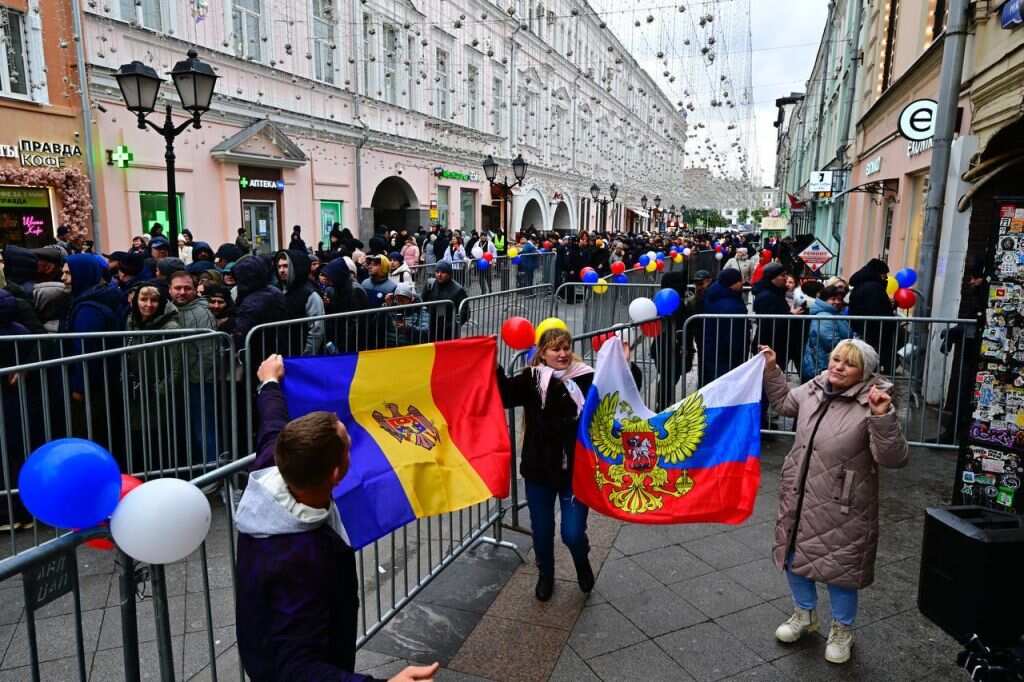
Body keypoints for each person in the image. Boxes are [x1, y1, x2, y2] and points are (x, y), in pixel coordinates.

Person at [235, 354, 439, 682]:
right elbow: (298, 669)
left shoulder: (271, 467)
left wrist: (269, 382)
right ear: (336, 473)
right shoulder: (300, 559)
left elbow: (272, 424)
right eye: (348, 443)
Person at [760, 339, 908, 664]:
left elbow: (893, 457)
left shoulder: (872, 402)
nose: (838, 366)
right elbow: (785, 402)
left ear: (864, 372)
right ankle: (804, 615)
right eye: (836, 359)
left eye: (848, 363)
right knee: (794, 558)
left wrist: (883, 416)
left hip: (845, 502)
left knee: (841, 570)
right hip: (799, 493)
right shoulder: (814, 389)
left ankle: (843, 629)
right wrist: (772, 370)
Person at [497, 329, 595, 602]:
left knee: (573, 533)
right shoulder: (532, 378)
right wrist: (492, 365)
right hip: (538, 470)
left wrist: (626, 364)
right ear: (542, 352)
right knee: (541, 531)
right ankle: (546, 575)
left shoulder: (586, 377)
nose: (562, 354)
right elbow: (505, 395)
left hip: (574, 472)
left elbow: (618, 392)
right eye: (555, 349)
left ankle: (581, 560)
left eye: (565, 347)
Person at [168, 271, 220, 465]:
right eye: (177, 288)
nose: (182, 292)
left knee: (203, 429)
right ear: (169, 289)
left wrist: (194, 378)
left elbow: (208, 352)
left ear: (195, 289)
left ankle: (213, 474)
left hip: (198, 382)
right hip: (180, 380)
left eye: (187, 288)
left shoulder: (202, 312)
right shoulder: (170, 309)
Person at [848, 259, 898, 374]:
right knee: (872, 359)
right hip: (874, 331)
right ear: (878, 273)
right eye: (884, 275)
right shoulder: (874, 287)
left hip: (865, 328)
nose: (885, 278)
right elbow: (878, 309)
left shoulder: (863, 284)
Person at [752, 263, 804, 374]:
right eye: (782, 275)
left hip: (778, 344)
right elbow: (770, 322)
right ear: (772, 278)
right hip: (770, 345)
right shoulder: (767, 296)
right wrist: (790, 315)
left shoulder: (776, 292)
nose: (785, 278)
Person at [700, 268, 748, 386]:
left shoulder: (714, 294)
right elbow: (734, 337)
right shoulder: (732, 306)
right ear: (732, 284)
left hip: (713, 350)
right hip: (727, 355)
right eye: (739, 281)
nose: (742, 283)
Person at [274, 250, 325, 355]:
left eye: (285, 266)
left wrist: (307, 355)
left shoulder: (310, 294)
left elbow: (316, 329)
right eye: (279, 267)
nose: (281, 270)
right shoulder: (277, 290)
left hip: (301, 355)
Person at [801, 285, 853, 382]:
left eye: (840, 299)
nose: (837, 302)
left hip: (827, 363)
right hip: (821, 365)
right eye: (833, 299)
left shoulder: (833, 314)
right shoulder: (824, 316)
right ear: (824, 300)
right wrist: (852, 346)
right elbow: (831, 341)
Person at [421, 262, 467, 340]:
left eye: (443, 272)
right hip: (431, 326)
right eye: (437, 272)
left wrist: (454, 325)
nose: (439, 274)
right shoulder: (430, 284)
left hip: (448, 331)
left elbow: (465, 312)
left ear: (449, 274)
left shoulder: (458, 290)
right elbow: (422, 302)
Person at [384, 282, 430, 347]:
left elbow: (425, 332)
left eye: (402, 300)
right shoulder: (390, 308)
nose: (399, 303)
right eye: (397, 299)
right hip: (389, 347)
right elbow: (377, 324)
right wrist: (386, 306)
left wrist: (407, 328)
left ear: (411, 300)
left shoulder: (420, 310)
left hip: (409, 347)